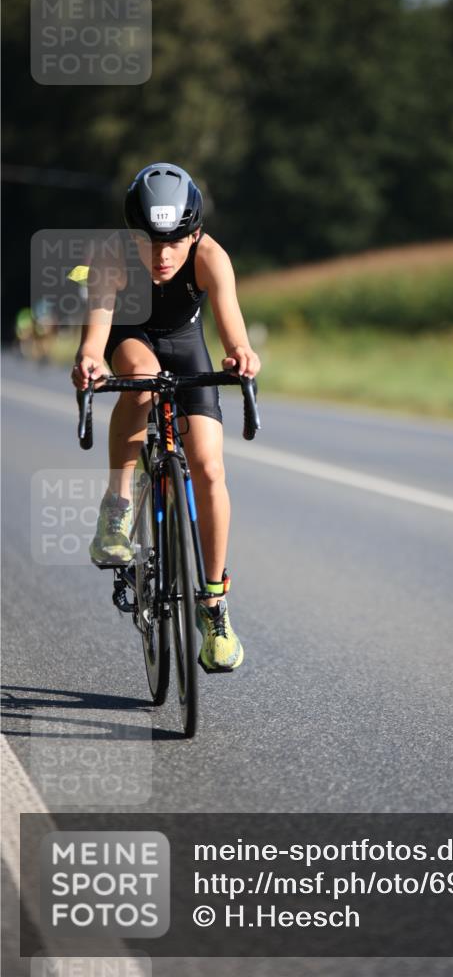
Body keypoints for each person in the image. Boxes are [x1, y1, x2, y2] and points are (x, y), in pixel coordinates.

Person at [70, 162, 261, 672]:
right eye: (150, 241)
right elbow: (96, 333)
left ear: (194, 232)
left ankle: (214, 607)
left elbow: (234, 332)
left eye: (175, 240)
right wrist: (90, 359)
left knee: (209, 466)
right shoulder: (110, 259)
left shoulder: (212, 258)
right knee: (142, 378)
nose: (162, 254)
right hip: (130, 338)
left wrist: (241, 356)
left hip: (186, 346)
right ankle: (117, 506)